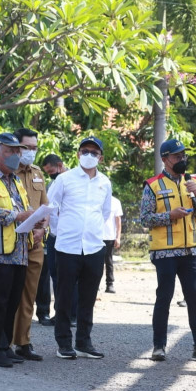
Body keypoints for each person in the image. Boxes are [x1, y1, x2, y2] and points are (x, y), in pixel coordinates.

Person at [140, 139, 196, 363]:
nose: (181, 160)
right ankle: (159, 347)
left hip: (191, 251)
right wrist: (169, 216)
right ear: (165, 159)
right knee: (163, 298)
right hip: (165, 252)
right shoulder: (153, 185)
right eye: (176, 156)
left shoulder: (192, 183)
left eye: (183, 156)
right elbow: (145, 218)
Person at [48, 136, 111, 360]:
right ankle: (63, 343)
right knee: (64, 296)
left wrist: (91, 232)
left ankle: (84, 342)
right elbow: (51, 209)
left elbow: (104, 213)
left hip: (94, 247)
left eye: (94, 152)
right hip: (67, 246)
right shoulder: (64, 180)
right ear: (77, 154)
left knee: (88, 297)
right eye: (85, 151)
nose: (89, 155)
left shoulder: (105, 182)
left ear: (100, 157)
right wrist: (60, 233)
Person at [0, 133, 34, 368]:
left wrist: (36, 219)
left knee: (11, 303)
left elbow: (25, 207)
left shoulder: (16, 181)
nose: (16, 156)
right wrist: (17, 216)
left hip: (19, 252)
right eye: (11, 151)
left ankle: (4, 345)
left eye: (17, 152)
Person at [11, 128, 48, 361]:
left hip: (35, 243)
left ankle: (23, 342)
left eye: (35, 148)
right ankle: (3, 341)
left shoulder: (38, 174)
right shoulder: (6, 172)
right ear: (17, 147)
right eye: (27, 148)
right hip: (11, 242)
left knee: (29, 295)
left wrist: (43, 229)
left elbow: (46, 207)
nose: (31, 153)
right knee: (9, 293)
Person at [36, 154, 70, 326]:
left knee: (67, 277)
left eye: (51, 171)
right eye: (47, 172)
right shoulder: (52, 184)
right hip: (52, 235)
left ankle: (69, 314)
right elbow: (48, 208)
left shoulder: (73, 180)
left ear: (59, 165)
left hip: (68, 236)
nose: (50, 174)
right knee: (52, 276)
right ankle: (54, 313)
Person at [102, 196, 123, 293]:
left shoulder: (115, 201)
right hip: (95, 236)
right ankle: (94, 284)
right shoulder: (96, 198)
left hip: (109, 236)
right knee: (95, 262)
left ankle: (109, 284)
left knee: (109, 261)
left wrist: (118, 237)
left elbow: (118, 221)